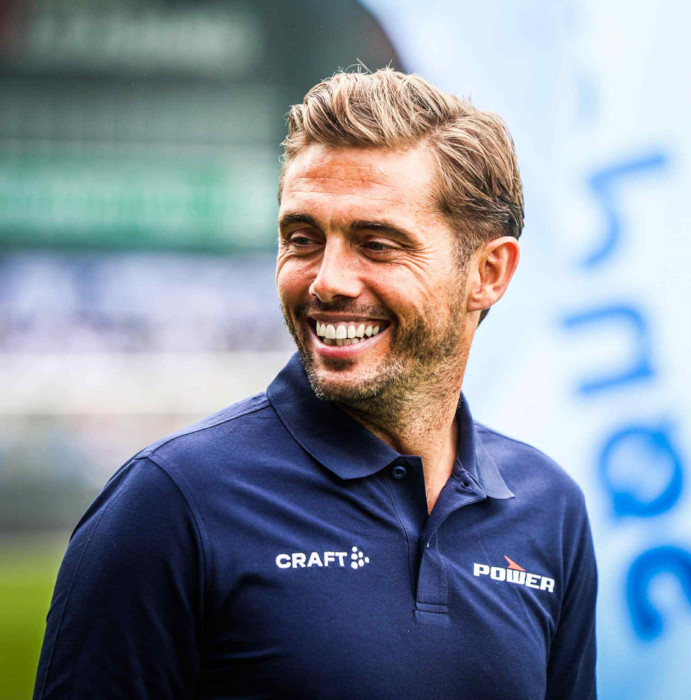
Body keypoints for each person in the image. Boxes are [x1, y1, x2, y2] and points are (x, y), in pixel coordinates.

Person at [34, 68, 597, 699]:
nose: (327, 280)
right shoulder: (169, 502)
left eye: (377, 244)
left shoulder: (550, 510)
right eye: (302, 239)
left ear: (489, 272)